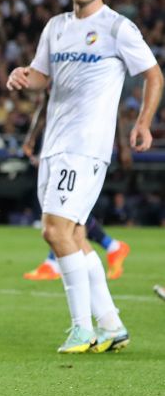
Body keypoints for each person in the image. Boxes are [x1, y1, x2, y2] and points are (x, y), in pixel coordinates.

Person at [7, 0, 162, 353]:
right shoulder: (56, 27)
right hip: (55, 144)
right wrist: (24, 77)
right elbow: (43, 76)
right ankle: (111, 325)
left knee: (54, 230)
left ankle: (82, 328)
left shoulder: (117, 28)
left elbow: (153, 75)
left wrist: (144, 122)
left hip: (86, 147)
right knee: (74, 234)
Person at [21, 89, 130, 280]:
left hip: (85, 150)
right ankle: (111, 247)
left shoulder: (96, 71)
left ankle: (55, 263)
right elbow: (47, 102)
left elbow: (114, 105)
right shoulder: (62, 68)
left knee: (65, 211)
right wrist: (33, 138)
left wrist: (122, 144)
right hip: (61, 147)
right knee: (67, 212)